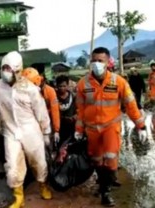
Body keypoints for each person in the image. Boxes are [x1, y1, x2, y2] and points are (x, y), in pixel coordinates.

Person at [75, 47, 147, 207]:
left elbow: (131, 106)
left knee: (111, 159)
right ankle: (103, 183)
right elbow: (80, 110)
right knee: (96, 160)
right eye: (93, 60)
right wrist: (78, 130)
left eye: (100, 61)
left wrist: (141, 126)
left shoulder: (119, 82)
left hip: (110, 127)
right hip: (92, 129)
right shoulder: (83, 84)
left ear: (108, 62)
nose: (96, 64)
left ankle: (105, 191)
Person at [0, 52, 52, 208]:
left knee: (39, 161)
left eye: (10, 69)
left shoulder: (30, 88)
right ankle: (18, 196)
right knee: (12, 165)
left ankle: (43, 185)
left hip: (31, 131)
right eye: (4, 68)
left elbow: (41, 111)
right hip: (11, 132)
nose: (7, 73)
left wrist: (46, 132)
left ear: (19, 71)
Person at [55, 75, 77, 148]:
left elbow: (79, 108)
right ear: (57, 86)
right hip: (60, 128)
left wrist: (75, 116)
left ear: (67, 86)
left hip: (72, 127)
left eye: (64, 86)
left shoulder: (73, 96)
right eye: (60, 86)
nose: (62, 88)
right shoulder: (54, 97)